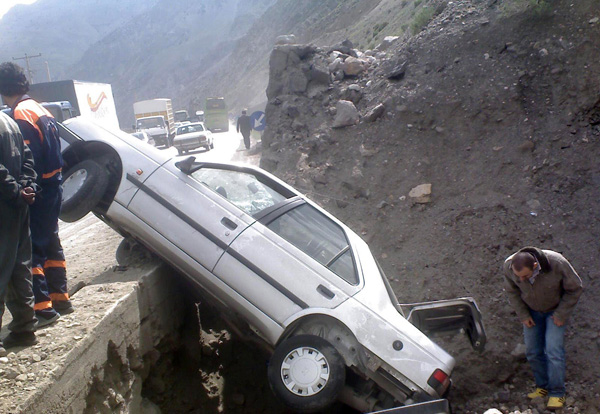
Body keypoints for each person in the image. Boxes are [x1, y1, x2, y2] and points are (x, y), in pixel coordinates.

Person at [0, 62, 73, 329]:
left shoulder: (19, 114)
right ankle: (61, 298)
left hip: (39, 192)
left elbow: (27, 158)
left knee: (33, 252)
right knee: (52, 244)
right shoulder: (39, 108)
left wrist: (27, 189)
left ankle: (42, 309)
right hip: (54, 186)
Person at [503, 247, 583, 410]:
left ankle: (557, 393)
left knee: (553, 350)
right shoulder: (508, 266)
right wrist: (523, 315)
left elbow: (575, 288)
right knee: (532, 351)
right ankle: (542, 387)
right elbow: (512, 292)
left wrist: (561, 314)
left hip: (555, 311)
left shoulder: (556, 263)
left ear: (535, 265)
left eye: (525, 276)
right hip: (531, 311)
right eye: (519, 277)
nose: (522, 280)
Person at [0, 111, 38, 356]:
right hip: (17, 206)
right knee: (18, 265)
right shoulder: (9, 122)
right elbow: (27, 159)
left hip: (5, 203)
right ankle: (25, 328)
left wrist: (16, 190)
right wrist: (27, 186)